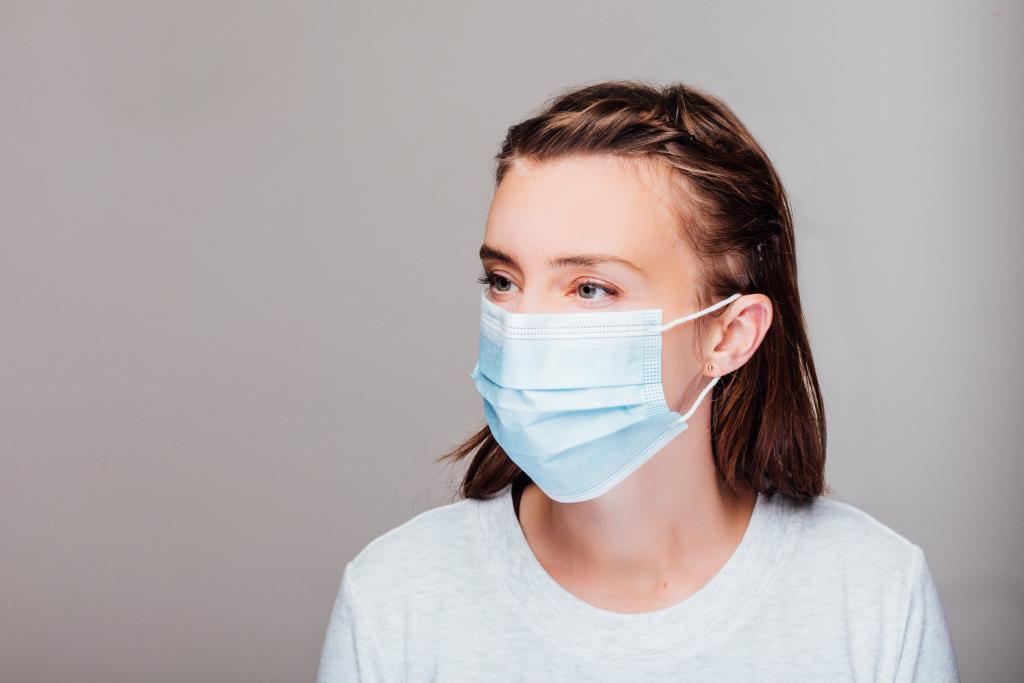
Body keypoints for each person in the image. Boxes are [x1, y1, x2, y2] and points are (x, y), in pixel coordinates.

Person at [317, 79, 960, 681]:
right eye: (503, 281)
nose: (523, 329)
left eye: (590, 287)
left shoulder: (874, 595)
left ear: (729, 335)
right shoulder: (393, 598)